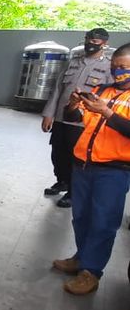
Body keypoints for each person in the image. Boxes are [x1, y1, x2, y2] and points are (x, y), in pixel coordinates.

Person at [53, 42, 130, 295]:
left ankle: (91, 272)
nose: (119, 72)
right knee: (82, 217)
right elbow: (81, 120)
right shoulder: (101, 90)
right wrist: (74, 106)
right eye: (115, 67)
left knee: (103, 222)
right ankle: (81, 258)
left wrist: (107, 112)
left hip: (114, 171)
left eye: (124, 67)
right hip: (84, 165)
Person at [41, 28, 112, 208]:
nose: (91, 43)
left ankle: (74, 191)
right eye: (88, 39)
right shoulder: (73, 62)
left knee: (77, 157)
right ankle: (62, 181)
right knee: (57, 153)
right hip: (61, 117)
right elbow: (57, 89)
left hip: (83, 121)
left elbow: (110, 97)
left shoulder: (109, 67)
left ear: (104, 44)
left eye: (95, 41)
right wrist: (49, 114)